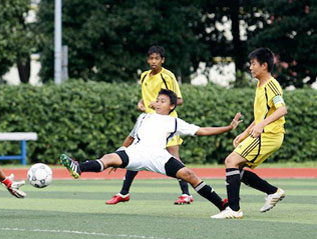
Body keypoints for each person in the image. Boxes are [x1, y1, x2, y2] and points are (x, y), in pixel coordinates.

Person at [61, 89, 242, 213]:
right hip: (137, 153)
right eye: (157, 100)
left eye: (163, 101)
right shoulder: (144, 117)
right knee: (108, 157)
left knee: (189, 174)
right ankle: (78, 167)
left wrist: (228, 127)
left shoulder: (174, 121)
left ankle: (221, 205)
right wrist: (118, 155)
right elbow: (131, 138)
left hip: (158, 156)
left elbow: (202, 130)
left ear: (171, 106)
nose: (157, 103)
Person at [106, 45, 192, 206]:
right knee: (136, 154)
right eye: (151, 58)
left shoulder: (167, 76)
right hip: (147, 123)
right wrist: (142, 102)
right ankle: (124, 192)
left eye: (157, 58)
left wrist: (157, 104)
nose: (154, 61)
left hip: (166, 124)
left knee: (174, 157)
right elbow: (146, 97)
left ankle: (186, 194)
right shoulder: (144, 76)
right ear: (147, 59)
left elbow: (178, 100)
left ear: (162, 60)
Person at [211, 48, 287, 219]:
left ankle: (234, 209)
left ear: (264, 65)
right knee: (237, 169)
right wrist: (245, 133)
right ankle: (273, 192)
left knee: (231, 160)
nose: (250, 67)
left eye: (253, 64)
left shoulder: (271, 85)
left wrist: (261, 126)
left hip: (269, 135)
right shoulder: (260, 86)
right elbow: (262, 115)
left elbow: (282, 109)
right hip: (264, 133)